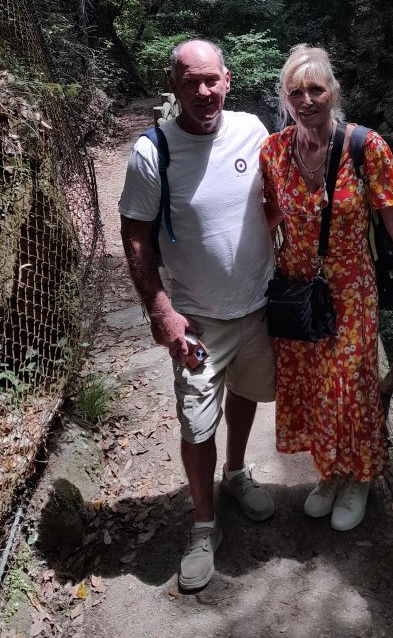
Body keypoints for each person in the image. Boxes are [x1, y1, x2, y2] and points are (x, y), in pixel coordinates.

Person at [260, 44, 393, 532]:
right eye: (296, 92)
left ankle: (360, 477)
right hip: (298, 292)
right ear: (285, 97)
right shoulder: (273, 151)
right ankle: (330, 472)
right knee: (314, 387)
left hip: (351, 291)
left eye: (315, 89)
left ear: (333, 92)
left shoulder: (365, 147)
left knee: (350, 387)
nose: (306, 100)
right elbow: (270, 213)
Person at [118, 39, 278, 591]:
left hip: (258, 305)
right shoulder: (153, 152)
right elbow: (135, 235)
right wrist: (159, 308)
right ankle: (203, 526)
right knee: (196, 422)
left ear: (228, 80)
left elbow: (273, 202)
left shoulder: (253, 130)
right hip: (197, 321)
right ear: (175, 87)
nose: (204, 91)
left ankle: (236, 472)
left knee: (247, 393)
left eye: (212, 80)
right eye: (191, 82)